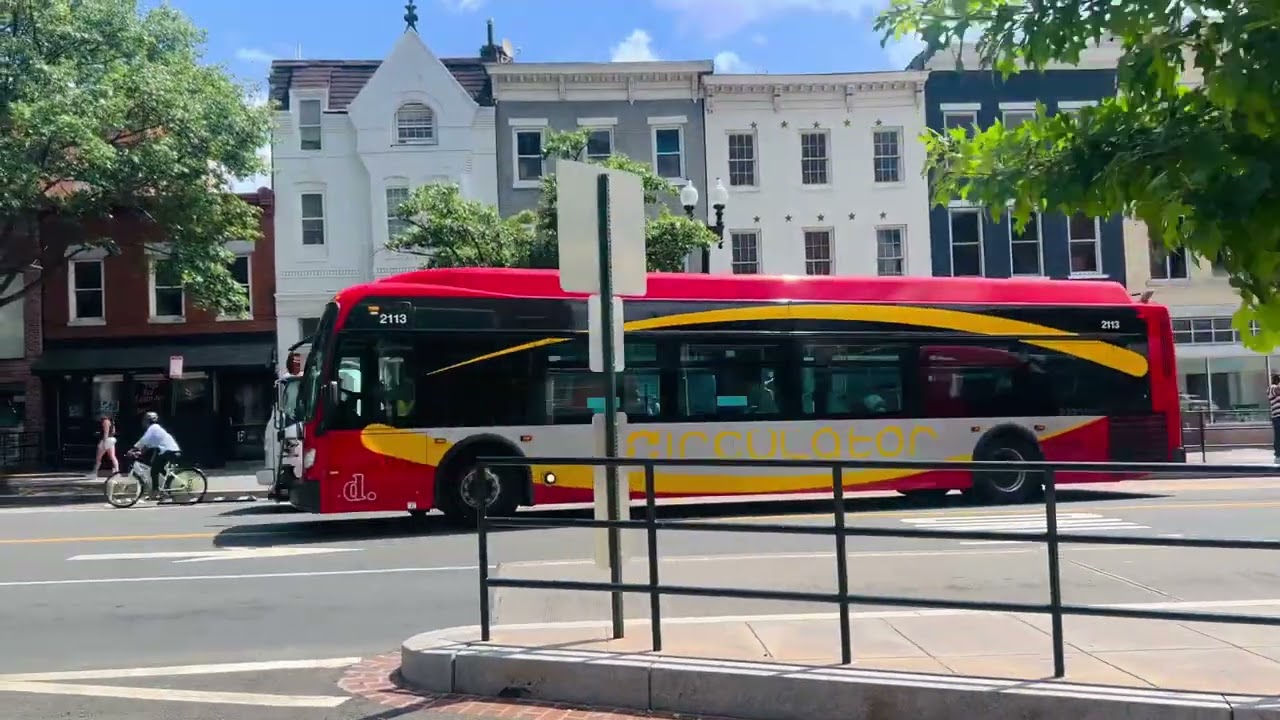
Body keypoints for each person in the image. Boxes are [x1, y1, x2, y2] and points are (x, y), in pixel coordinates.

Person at [132, 411, 182, 500]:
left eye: (144, 420)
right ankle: (165, 489)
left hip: (169, 451)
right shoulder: (155, 429)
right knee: (159, 469)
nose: (143, 423)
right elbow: (150, 444)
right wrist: (141, 451)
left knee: (154, 470)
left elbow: (144, 440)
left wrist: (133, 449)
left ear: (148, 421)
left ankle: (155, 492)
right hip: (168, 451)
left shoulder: (153, 428)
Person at [90, 415, 119, 479]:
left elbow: (106, 432)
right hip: (111, 440)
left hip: (106, 440)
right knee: (112, 456)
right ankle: (117, 471)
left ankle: (94, 472)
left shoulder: (106, 421)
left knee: (98, 457)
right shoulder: (111, 422)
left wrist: (104, 442)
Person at [1269, 373, 1280, 462]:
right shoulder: (1272, 388)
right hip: (1277, 417)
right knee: (1278, 436)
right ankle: (1278, 455)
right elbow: (1277, 391)